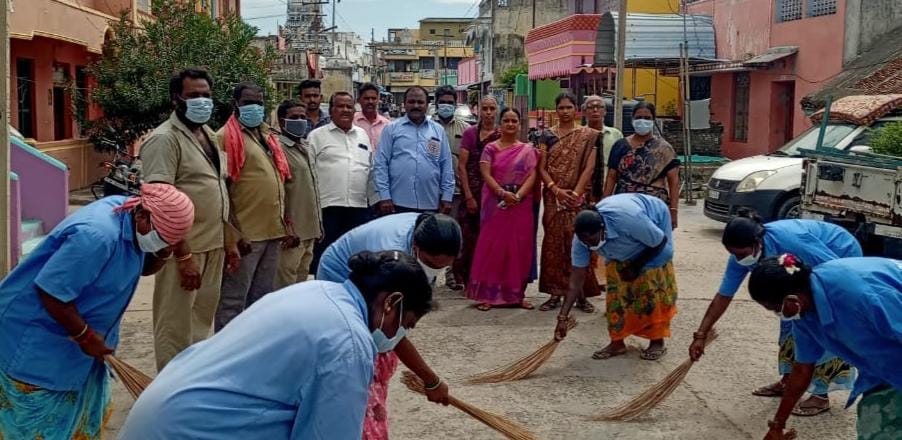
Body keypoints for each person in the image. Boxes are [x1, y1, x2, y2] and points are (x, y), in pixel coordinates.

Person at [118, 250, 436, 440]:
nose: (396, 338)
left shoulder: (317, 292)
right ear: (392, 302)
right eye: (405, 324)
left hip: (164, 414)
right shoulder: (348, 341)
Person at [0, 184, 194, 440]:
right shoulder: (96, 236)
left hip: (78, 351)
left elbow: (144, 267)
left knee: (76, 424)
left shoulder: (134, 223)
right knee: (36, 429)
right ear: (142, 214)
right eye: (160, 236)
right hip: (37, 341)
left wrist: (166, 249)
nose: (161, 243)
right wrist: (84, 335)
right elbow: (51, 292)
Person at [689, 211, 860, 416]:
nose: (738, 258)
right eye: (732, 253)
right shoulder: (740, 256)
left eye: (741, 254)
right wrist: (701, 334)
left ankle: (820, 395)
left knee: (823, 324)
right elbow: (723, 295)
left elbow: (833, 269)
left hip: (839, 254)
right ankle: (789, 381)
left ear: (757, 242)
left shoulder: (790, 241)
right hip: (803, 272)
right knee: (789, 321)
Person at [316, 213, 460, 440]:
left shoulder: (426, 234)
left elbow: (401, 323)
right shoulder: (390, 258)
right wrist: (431, 380)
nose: (434, 271)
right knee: (363, 361)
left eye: (443, 267)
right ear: (415, 246)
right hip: (339, 273)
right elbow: (392, 334)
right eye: (431, 264)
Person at [140, 68, 236, 371]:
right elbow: (158, 202)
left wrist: (229, 240)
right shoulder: (163, 140)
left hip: (214, 245)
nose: (202, 101)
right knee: (176, 326)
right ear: (176, 99)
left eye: (206, 95)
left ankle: (190, 386)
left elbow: (218, 189)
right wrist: (183, 256)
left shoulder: (207, 134)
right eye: (193, 96)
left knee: (200, 323)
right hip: (184, 251)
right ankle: (169, 393)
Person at [747, 255, 902, 440]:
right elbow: (802, 369)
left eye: (774, 308)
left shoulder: (862, 296)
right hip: (886, 369)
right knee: (875, 423)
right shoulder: (805, 313)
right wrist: (778, 425)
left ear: (792, 299)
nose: (777, 314)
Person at [555, 193, 677, 361]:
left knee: (650, 288)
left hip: (652, 231)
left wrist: (635, 266)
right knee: (615, 293)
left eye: (592, 240)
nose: (590, 245)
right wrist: (563, 317)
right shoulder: (581, 240)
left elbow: (659, 242)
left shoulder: (630, 219)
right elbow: (576, 280)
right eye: (586, 242)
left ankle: (657, 341)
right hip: (620, 247)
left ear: (602, 229)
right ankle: (617, 342)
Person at [214, 82, 292, 331]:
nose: (254, 107)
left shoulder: (267, 135)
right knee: (233, 301)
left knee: (261, 301)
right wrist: (235, 233)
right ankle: (228, 351)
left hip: (272, 232)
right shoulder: (225, 137)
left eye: (259, 102)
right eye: (248, 102)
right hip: (246, 236)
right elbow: (223, 190)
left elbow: (279, 181)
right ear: (236, 104)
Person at [467, 108, 538, 310]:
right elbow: (486, 174)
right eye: (506, 120)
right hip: (495, 204)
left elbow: (532, 175)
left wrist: (518, 195)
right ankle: (488, 295)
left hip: (520, 204)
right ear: (500, 124)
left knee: (519, 249)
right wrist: (502, 193)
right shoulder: (490, 148)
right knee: (493, 248)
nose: (510, 124)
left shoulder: (527, 150)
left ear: (519, 124)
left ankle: (517, 295)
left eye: (514, 121)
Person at [536, 92, 601, 313]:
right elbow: (541, 168)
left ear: (576, 110)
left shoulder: (589, 135)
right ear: (556, 110)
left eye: (569, 107)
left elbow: (589, 168)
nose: (565, 111)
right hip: (554, 198)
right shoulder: (546, 135)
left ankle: (581, 295)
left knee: (580, 244)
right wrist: (555, 190)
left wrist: (576, 193)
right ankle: (555, 293)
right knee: (553, 245)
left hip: (578, 198)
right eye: (561, 107)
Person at [308, 91, 374, 275]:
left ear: (354, 110)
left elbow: (370, 169)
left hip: (358, 208)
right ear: (331, 110)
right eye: (340, 106)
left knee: (353, 258)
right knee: (324, 256)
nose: (345, 110)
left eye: (349, 106)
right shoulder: (316, 136)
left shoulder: (362, 136)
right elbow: (309, 174)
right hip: (328, 208)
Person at [374, 86, 455, 215]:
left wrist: (447, 196)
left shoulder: (438, 131)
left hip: (430, 201)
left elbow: (446, 165)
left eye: (420, 102)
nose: (416, 105)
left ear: (427, 105)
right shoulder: (391, 129)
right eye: (411, 102)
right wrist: (384, 196)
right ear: (404, 104)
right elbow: (381, 164)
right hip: (397, 202)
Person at [449, 96, 501, 291]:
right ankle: (468, 279)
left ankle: (489, 279)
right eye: (485, 108)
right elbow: (462, 167)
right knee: (469, 238)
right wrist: (468, 195)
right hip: (472, 192)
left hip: (494, 193)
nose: (488, 112)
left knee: (491, 239)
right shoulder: (471, 133)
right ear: (478, 110)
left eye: (492, 109)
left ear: (496, 111)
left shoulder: (502, 134)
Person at [604, 102, 680, 229]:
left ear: (653, 120)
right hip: (624, 206)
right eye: (638, 117)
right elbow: (611, 177)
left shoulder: (664, 148)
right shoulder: (621, 145)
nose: (642, 121)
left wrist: (673, 211)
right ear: (632, 119)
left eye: (647, 118)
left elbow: (674, 181)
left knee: (653, 243)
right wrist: (604, 204)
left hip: (653, 207)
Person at [274, 100, 322, 288]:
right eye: (294, 118)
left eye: (303, 117)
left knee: (300, 283)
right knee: (284, 284)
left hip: (310, 230)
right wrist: (286, 227)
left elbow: (312, 188)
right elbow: (278, 193)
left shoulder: (305, 146)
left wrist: (318, 224)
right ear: (281, 120)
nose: (300, 121)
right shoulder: (278, 149)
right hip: (292, 233)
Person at [433, 85, 474, 289]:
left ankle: (452, 273)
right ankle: (428, 274)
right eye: (443, 102)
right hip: (431, 192)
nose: (446, 106)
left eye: (450, 103)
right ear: (436, 103)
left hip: (457, 192)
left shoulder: (465, 129)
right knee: (429, 232)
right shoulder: (428, 127)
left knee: (454, 234)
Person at [582, 95, 623, 202]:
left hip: (609, 190)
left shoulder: (616, 135)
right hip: (583, 191)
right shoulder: (578, 136)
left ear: (605, 111)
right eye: (591, 107)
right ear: (584, 112)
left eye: (599, 107)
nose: (595, 110)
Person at [354, 82, 391, 149]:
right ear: (359, 100)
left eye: (373, 98)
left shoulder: (386, 125)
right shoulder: (352, 122)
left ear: (378, 100)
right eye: (366, 98)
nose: (370, 101)